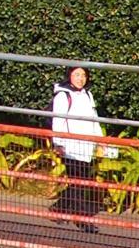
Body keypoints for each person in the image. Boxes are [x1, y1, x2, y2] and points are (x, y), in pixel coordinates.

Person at [49, 66, 115, 233]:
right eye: (77, 75)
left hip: (86, 147)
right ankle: (82, 220)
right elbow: (58, 121)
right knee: (79, 183)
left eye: (83, 75)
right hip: (70, 146)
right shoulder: (63, 96)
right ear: (69, 76)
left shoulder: (87, 94)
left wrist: (100, 140)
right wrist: (58, 143)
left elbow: (94, 119)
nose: (80, 78)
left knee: (78, 181)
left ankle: (59, 207)